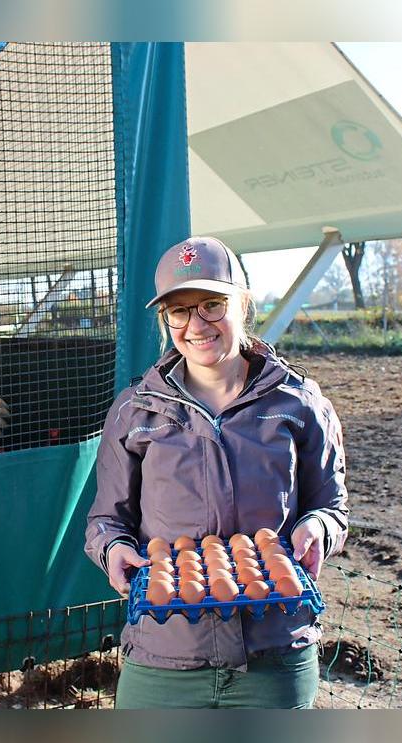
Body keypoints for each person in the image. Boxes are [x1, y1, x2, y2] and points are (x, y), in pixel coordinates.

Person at [84, 236, 349, 709]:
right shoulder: (135, 410)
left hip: (274, 657)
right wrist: (114, 549)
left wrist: (319, 528)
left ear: (243, 304)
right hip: (165, 657)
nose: (197, 325)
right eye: (179, 312)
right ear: (165, 320)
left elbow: (330, 505)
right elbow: (106, 520)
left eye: (212, 304)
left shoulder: (299, 403)